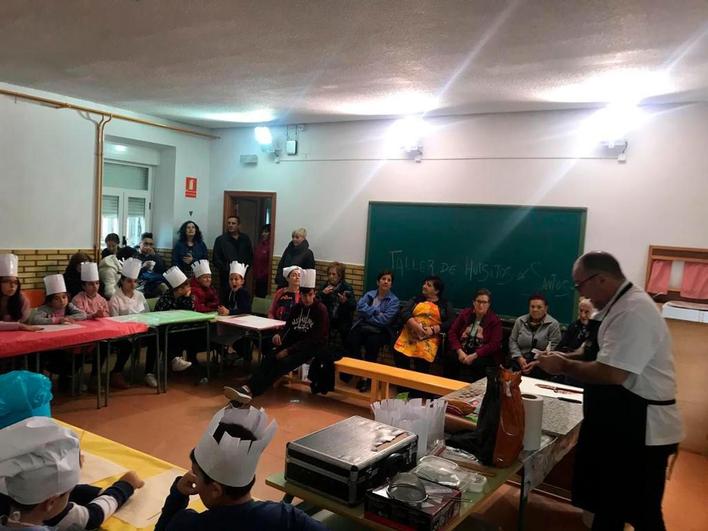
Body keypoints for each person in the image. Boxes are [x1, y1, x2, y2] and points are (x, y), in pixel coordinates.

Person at [533, 251, 683, 531]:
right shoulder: (612, 306)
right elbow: (591, 352)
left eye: (580, 286)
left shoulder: (634, 310)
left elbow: (613, 372)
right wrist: (562, 357)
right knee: (607, 505)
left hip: (642, 428)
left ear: (600, 279)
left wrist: (563, 366)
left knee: (643, 512)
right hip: (615, 423)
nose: (581, 295)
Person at [154, 405, 326, 531]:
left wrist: (177, 497)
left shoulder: (189, 524)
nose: (192, 479)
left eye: (196, 474)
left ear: (215, 489)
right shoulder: (284, 516)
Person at [0, 417, 144, 531]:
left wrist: (100, 491)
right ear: (50, 503)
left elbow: (61, 491)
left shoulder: (12, 482)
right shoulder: (54, 517)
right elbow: (92, 517)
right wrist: (125, 485)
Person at [248, 270, 328, 396]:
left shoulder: (320, 310)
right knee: (270, 357)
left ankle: (255, 391)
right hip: (294, 343)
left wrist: (288, 351)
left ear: (314, 294)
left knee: (283, 363)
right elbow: (288, 327)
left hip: (311, 347)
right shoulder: (297, 308)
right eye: (304, 295)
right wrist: (279, 335)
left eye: (310, 295)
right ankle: (249, 387)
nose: (307, 299)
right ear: (300, 294)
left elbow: (314, 339)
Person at [344, 270, 400, 392]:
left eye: (389, 280)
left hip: (379, 331)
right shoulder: (370, 294)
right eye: (383, 279)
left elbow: (384, 320)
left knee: (372, 344)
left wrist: (367, 314)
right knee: (351, 340)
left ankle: (367, 378)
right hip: (362, 326)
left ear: (391, 284)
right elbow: (359, 308)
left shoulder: (394, 301)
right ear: (378, 281)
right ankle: (361, 374)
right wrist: (375, 312)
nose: (386, 281)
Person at [107, 257, 158, 389]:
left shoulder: (139, 296)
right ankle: (116, 373)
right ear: (122, 281)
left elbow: (147, 315)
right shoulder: (115, 298)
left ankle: (148, 373)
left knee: (154, 338)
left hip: (140, 332)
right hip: (121, 335)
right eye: (129, 281)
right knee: (126, 346)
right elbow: (113, 321)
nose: (132, 284)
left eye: (135, 281)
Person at [393, 276, 455, 375]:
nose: (424, 286)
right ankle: (403, 387)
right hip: (410, 333)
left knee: (422, 360)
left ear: (436, 291)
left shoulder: (445, 304)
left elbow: (452, 321)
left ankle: (418, 388)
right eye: (424, 283)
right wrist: (414, 325)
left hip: (430, 338)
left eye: (428, 285)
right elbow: (404, 312)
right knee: (400, 355)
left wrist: (434, 329)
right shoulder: (416, 299)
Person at [444, 288, 503, 383]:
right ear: (473, 302)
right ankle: (447, 390)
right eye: (478, 301)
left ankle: (476, 395)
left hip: (481, 353)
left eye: (484, 302)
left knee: (479, 364)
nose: (481, 305)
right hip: (463, 350)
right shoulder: (465, 314)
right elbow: (452, 332)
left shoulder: (494, 320)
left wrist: (475, 355)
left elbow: (494, 344)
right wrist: (459, 351)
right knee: (450, 358)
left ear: (489, 304)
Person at [154, 267, 202, 376]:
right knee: (173, 336)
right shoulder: (165, 298)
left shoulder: (183, 297)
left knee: (192, 334)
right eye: (187, 286)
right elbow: (161, 317)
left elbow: (190, 311)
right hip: (163, 331)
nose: (190, 288)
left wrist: (187, 298)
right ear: (179, 289)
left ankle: (186, 362)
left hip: (180, 328)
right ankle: (174, 360)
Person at [508, 293, 561, 379]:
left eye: (539, 307)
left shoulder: (553, 324)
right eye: (532, 307)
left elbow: (554, 348)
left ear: (546, 308)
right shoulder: (520, 321)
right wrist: (519, 358)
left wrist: (537, 363)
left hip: (541, 365)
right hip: (520, 361)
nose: (535, 310)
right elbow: (512, 341)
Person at [216, 262, 253, 361]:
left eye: (236, 279)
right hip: (230, 323)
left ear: (242, 281)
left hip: (242, 326)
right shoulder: (229, 292)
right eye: (231, 279)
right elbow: (225, 304)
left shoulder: (243, 293)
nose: (233, 282)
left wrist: (229, 312)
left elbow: (246, 310)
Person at [212, 216, 253, 303]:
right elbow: (216, 259)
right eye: (229, 223)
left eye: (233, 223)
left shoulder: (245, 239)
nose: (230, 225)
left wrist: (243, 270)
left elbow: (250, 257)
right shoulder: (220, 240)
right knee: (225, 299)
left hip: (241, 277)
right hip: (226, 277)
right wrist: (227, 269)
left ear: (238, 225)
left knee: (241, 300)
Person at [317, 262, 355, 344]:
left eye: (334, 274)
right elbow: (315, 302)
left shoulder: (346, 287)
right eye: (329, 274)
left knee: (347, 336)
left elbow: (353, 306)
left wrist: (345, 302)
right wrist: (323, 294)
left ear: (340, 276)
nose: (331, 277)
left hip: (342, 319)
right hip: (328, 318)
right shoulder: (325, 286)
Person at [0, 254, 40, 332]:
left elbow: (23, 320)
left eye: (15, 282)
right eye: (7, 281)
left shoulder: (22, 299)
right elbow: (20, 325)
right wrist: (19, 326)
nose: (12, 286)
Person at [135, 232, 167, 298]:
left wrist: (155, 256)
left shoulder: (154, 255)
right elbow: (134, 275)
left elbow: (162, 270)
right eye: (146, 244)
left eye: (151, 244)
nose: (148, 247)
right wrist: (143, 267)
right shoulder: (135, 255)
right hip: (140, 283)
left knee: (164, 285)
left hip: (154, 282)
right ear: (140, 243)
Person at [252, 224, 272, 298]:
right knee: (257, 296)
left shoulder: (270, 246)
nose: (263, 234)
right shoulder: (260, 245)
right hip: (257, 277)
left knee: (262, 297)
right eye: (263, 232)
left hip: (265, 278)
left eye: (266, 232)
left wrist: (264, 274)